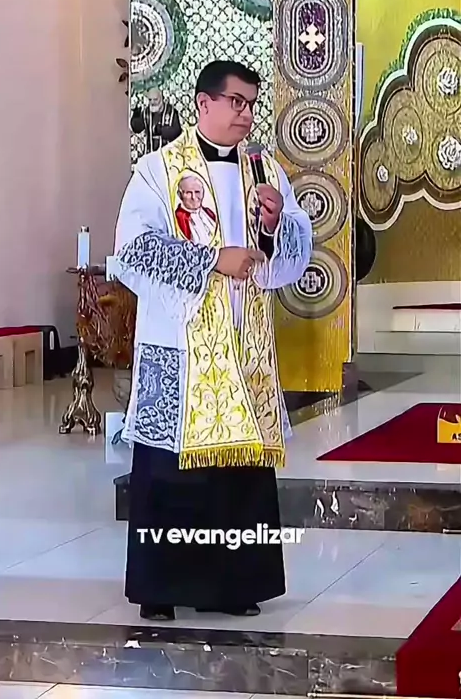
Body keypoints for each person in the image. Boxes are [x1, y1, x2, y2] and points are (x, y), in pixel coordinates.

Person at [114, 60, 312, 622]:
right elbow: (133, 251)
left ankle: (234, 586)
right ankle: (160, 586)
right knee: (168, 468)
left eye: (252, 104)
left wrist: (274, 225)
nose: (246, 115)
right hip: (181, 350)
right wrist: (210, 261)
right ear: (204, 103)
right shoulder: (158, 170)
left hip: (244, 348)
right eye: (236, 102)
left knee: (238, 477)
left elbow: (291, 256)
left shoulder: (264, 169)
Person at [131, 88, 182, 153]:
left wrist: (161, 130)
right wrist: (136, 113)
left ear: (161, 98)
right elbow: (137, 128)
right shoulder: (146, 112)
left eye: (155, 99)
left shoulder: (171, 112)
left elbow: (177, 133)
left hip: (167, 154)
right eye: (150, 100)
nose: (152, 102)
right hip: (150, 153)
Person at [175, 175, 217, 242]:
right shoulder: (178, 218)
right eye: (188, 193)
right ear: (179, 194)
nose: (193, 197)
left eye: (197, 192)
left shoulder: (209, 213)